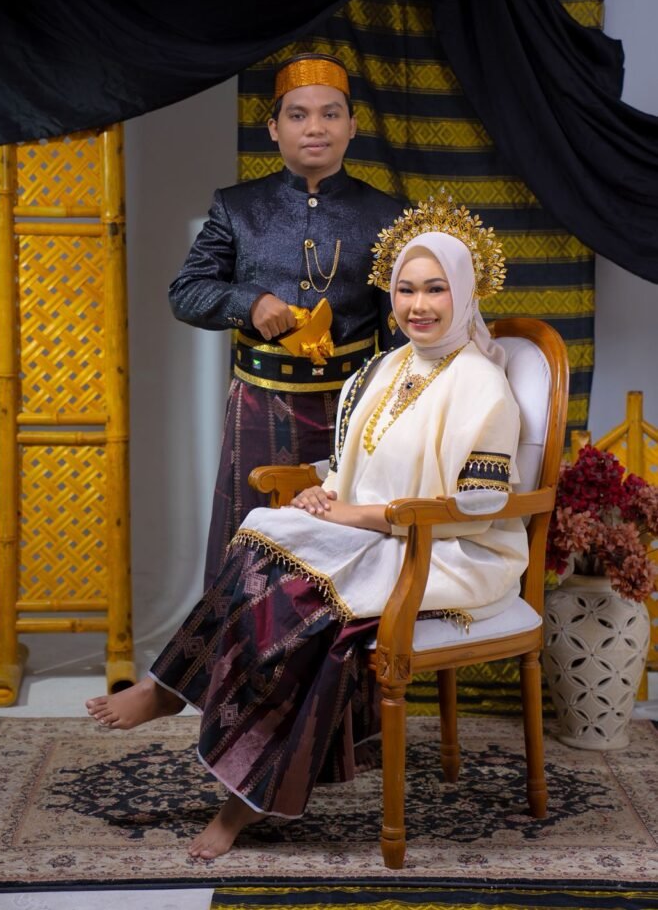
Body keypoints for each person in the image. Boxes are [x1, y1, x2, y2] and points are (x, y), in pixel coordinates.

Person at [87, 195, 528, 860]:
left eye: (435, 289)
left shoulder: (481, 386)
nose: (418, 306)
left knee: (299, 610)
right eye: (405, 289)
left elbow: (476, 507)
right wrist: (325, 490)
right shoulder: (386, 369)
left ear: (465, 292)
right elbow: (357, 462)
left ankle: (242, 800)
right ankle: (170, 689)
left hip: (447, 552)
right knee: (258, 541)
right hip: (374, 535)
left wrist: (355, 514)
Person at [168, 52, 405, 589]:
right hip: (259, 406)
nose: (315, 127)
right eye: (298, 115)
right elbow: (185, 293)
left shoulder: (387, 216)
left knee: (338, 558)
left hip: (353, 414)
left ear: (352, 126)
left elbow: (398, 334)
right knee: (250, 550)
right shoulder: (237, 208)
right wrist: (249, 302)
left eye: (330, 114)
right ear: (274, 128)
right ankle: (235, 647)